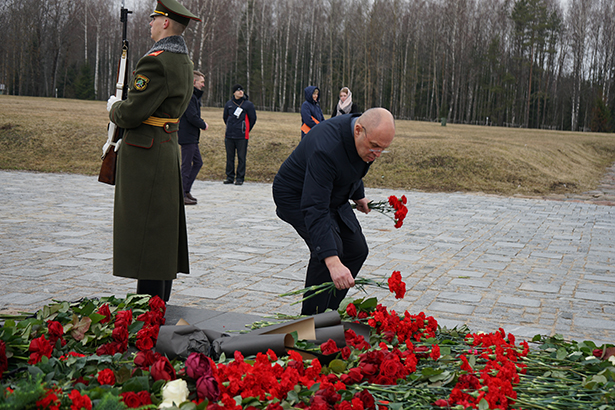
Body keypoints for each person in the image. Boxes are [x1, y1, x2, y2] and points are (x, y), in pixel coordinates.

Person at [107, 0, 200, 302]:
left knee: (146, 234)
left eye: (154, 18)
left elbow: (132, 113)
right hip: (165, 146)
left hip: (146, 153)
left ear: (165, 23)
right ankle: (158, 303)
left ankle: (147, 308)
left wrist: (114, 109)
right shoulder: (183, 60)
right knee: (160, 233)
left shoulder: (156, 61)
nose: (149, 23)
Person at [272, 108, 396, 315]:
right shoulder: (326, 148)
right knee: (330, 251)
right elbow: (315, 207)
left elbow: (352, 167)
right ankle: (310, 322)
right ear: (358, 130)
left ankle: (328, 310)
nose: (377, 154)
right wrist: (332, 260)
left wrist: (358, 194)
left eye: (383, 149)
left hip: (331, 194)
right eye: (374, 147)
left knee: (357, 249)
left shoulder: (363, 141)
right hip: (297, 195)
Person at [178, 70, 208, 205]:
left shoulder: (194, 97)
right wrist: (203, 124)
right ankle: (181, 193)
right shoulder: (190, 96)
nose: (203, 85)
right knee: (186, 165)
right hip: (187, 136)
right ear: (194, 82)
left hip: (192, 136)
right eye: (202, 82)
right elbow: (191, 116)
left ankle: (186, 190)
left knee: (198, 163)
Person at [222, 84, 257, 185]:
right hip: (229, 135)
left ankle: (240, 178)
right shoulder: (229, 104)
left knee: (241, 157)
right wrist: (230, 127)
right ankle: (230, 176)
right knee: (230, 157)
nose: (240, 92)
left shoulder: (248, 105)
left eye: (242, 90)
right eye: (238, 90)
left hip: (242, 135)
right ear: (234, 93)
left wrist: (245, 128)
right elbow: (225, 117)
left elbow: (253, 119)